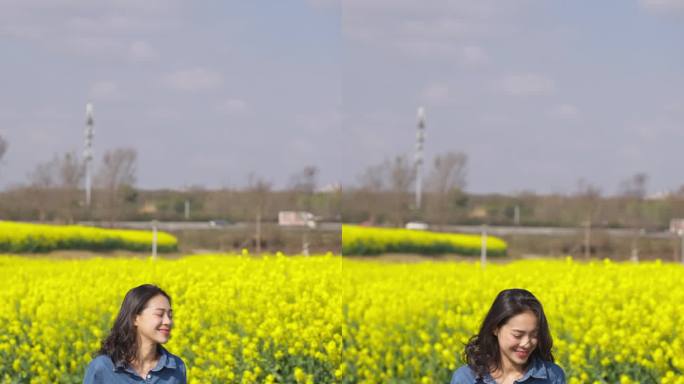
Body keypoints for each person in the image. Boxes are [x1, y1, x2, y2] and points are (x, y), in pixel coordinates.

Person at [450, 289, 565, 384]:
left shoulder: (552, 377)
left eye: (534, 335)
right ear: (495, 328)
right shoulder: (466, 379)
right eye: (517, 335)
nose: (526, 343)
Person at [83, 284, 187, 383]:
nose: (168, 321)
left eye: (170, 315)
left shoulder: (176, 368)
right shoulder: (103, 367)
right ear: (135, 318)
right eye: (160, 314)